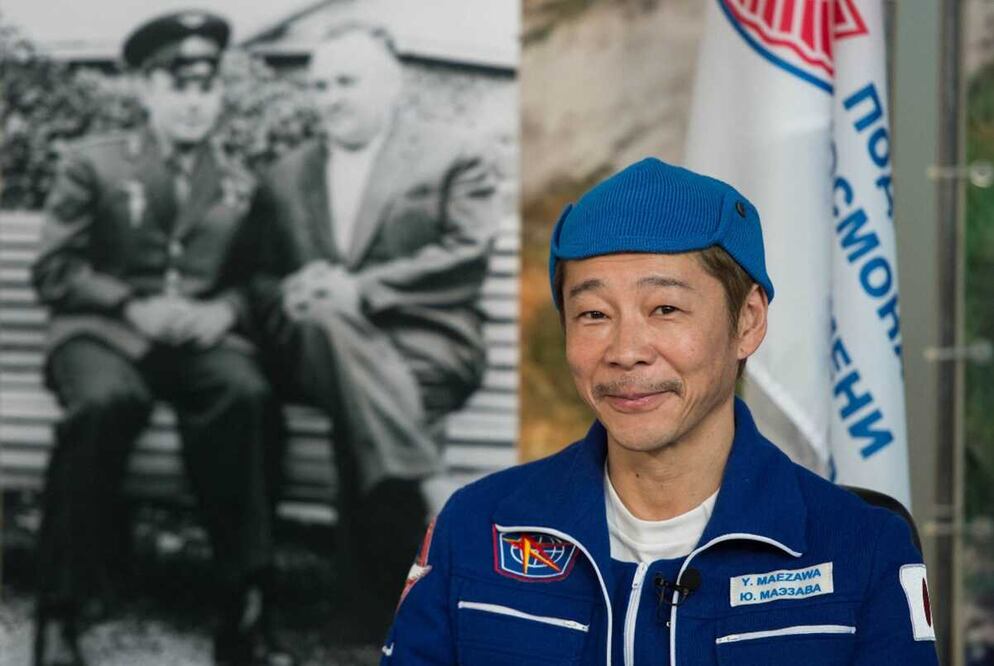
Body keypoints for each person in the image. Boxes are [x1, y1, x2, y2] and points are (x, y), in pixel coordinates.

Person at [381, 158, 940, 665]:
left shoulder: (863, 549)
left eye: (665, 308)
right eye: (594, 314)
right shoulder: (475, 530)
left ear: (747, 321)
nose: (625, 351)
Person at [31, 12, 290, 666]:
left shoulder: (239, 182)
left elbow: (258, 279)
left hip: (194, 342)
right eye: (178, 87)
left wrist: (226, 312)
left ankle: (243, 605)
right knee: (102, 406)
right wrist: (129, 303)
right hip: (102, 335)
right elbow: (55, 270)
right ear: (147, 90)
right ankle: (60, 612)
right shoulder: (94, 165)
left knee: (247, 395)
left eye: (206, 89)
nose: (194, 103)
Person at [231, 24, 498, 634]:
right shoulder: (286, 175)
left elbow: (467, 254)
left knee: (361, 377)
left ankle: (365, 612)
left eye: (346, 81)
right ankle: (432, 506)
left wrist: (360, 290)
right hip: (319, 347)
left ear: (389, 84)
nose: (331, 97)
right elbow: (255, 276)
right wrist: (293, 291)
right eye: (319, 85)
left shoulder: (453, 154)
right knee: (337, 337)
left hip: (428, 340)